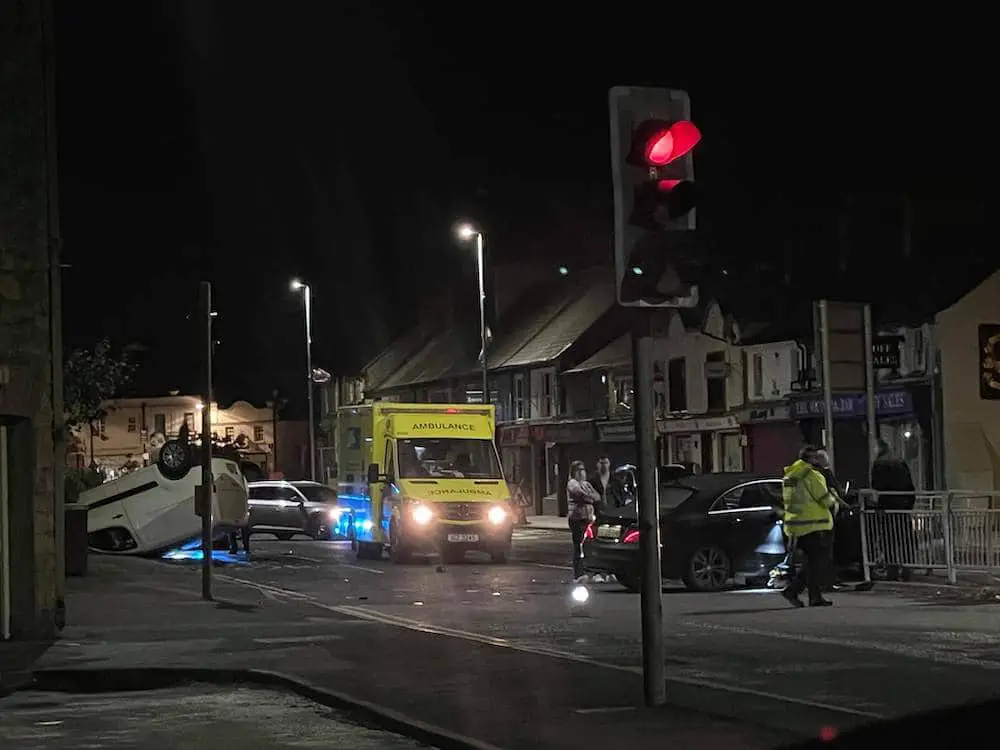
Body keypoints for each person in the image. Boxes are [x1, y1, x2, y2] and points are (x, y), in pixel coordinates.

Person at [781, 445, 842, 608]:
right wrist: (834, 501)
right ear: (811, 459)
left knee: (811, 563)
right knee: (818, 563)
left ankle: (809, 595)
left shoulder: (790, 475)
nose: (819, 461)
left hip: (797, 526)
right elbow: (824, 499)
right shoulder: (811, 475)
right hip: (815, 525)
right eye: (816, 458)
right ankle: (797, 592)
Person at [871, 439, 916, 580]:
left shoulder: (879, 464)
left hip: (888, 506)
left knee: (889, 539)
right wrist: (909, 504)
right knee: (905, 538)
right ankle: (907, 569)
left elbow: (877, 485)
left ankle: (892, 570)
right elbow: (910, 485)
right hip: (903, 506)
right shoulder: (900, 462)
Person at [566, 460, 601, 581]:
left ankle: (591, 572)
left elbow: (597, 496)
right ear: (574, 472)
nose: (581, 473)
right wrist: (590, 497)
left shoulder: (586, 484)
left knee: (590, 547)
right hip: (577, 519)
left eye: (583, 470)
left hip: (588, 519)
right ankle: (579, 574)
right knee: (579, 547)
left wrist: (590, 497)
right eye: (579, 470)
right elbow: (581, 494)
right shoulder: (572, 483)